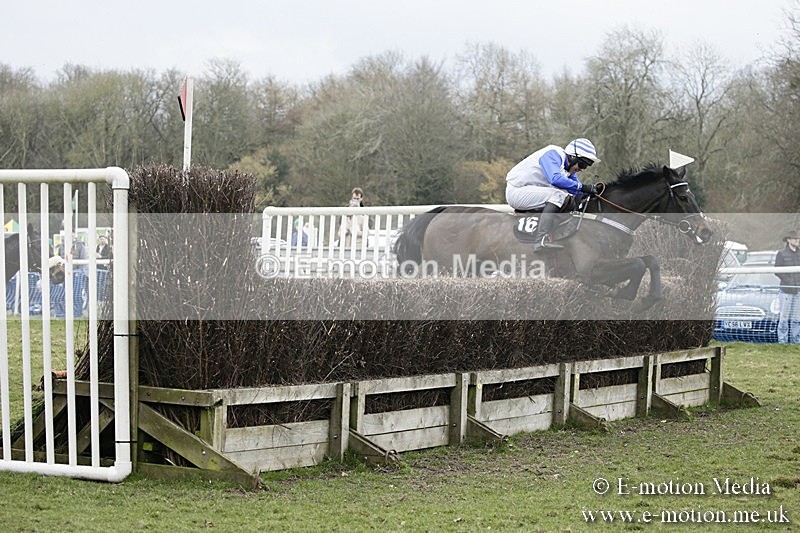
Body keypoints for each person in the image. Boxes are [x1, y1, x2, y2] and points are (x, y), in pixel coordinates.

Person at [506, 138, 601, 252]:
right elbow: (555, 179)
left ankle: (551, 235)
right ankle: (540, 240)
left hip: (529, 192)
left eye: (585, 167)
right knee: (558, 195)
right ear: (572, 156)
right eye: (581, 164)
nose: (581, 169)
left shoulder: (568, 169)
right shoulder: (553, 154)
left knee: (566, 197)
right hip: (516, 192)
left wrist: (591, 191)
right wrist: (583, 187)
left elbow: (575, 187)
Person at [775, 229, 800, 344]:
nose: (797, 240)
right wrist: (789, 281)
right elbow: (778, 271)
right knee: (784, 318)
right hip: (786, 291)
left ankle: (795, 341)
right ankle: (782, 341)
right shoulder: (781, 254)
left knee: (796, 319)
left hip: (798, 291)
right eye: (795, 238)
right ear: (789, 240)